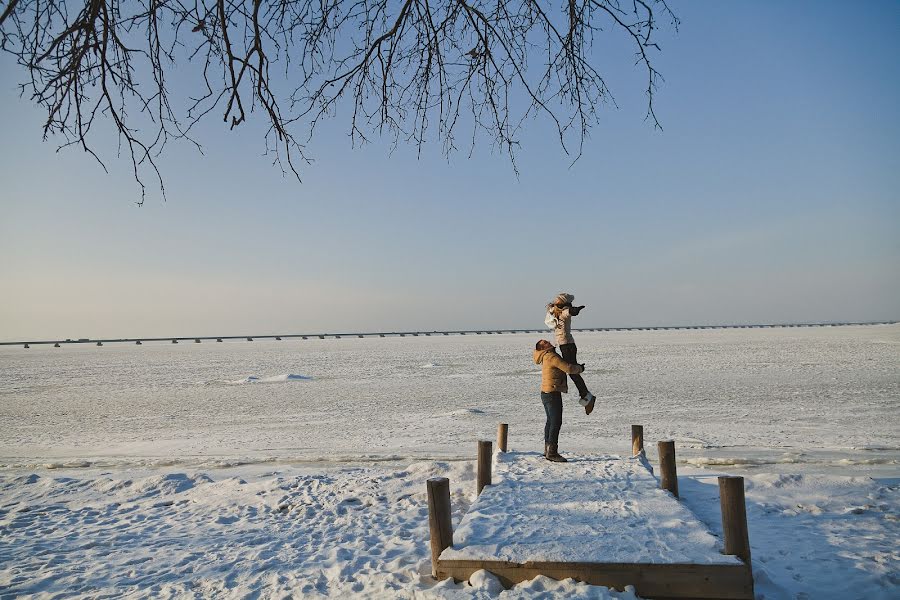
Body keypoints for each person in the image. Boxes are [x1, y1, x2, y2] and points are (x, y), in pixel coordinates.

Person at [533, 339, 585, 463]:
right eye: (545, 342)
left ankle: (548, 450)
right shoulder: (550, 356)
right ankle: (552, 452)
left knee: (551, 421)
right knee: (556, 422)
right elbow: (568, 368)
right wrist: (580, 369)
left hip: (546, 392)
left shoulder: (546, 356)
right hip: (552, 392)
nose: (549, 341)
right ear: (542, 347)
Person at [546, 292, 596, 415]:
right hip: (563, 345)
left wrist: (576, 310)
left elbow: (571, 312)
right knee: (570, 371)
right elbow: (551, 312)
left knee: (572, 371)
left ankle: (586, 395)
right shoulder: (554, 312)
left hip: (568, 345)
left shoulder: (564, 312)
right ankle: (585, 394)